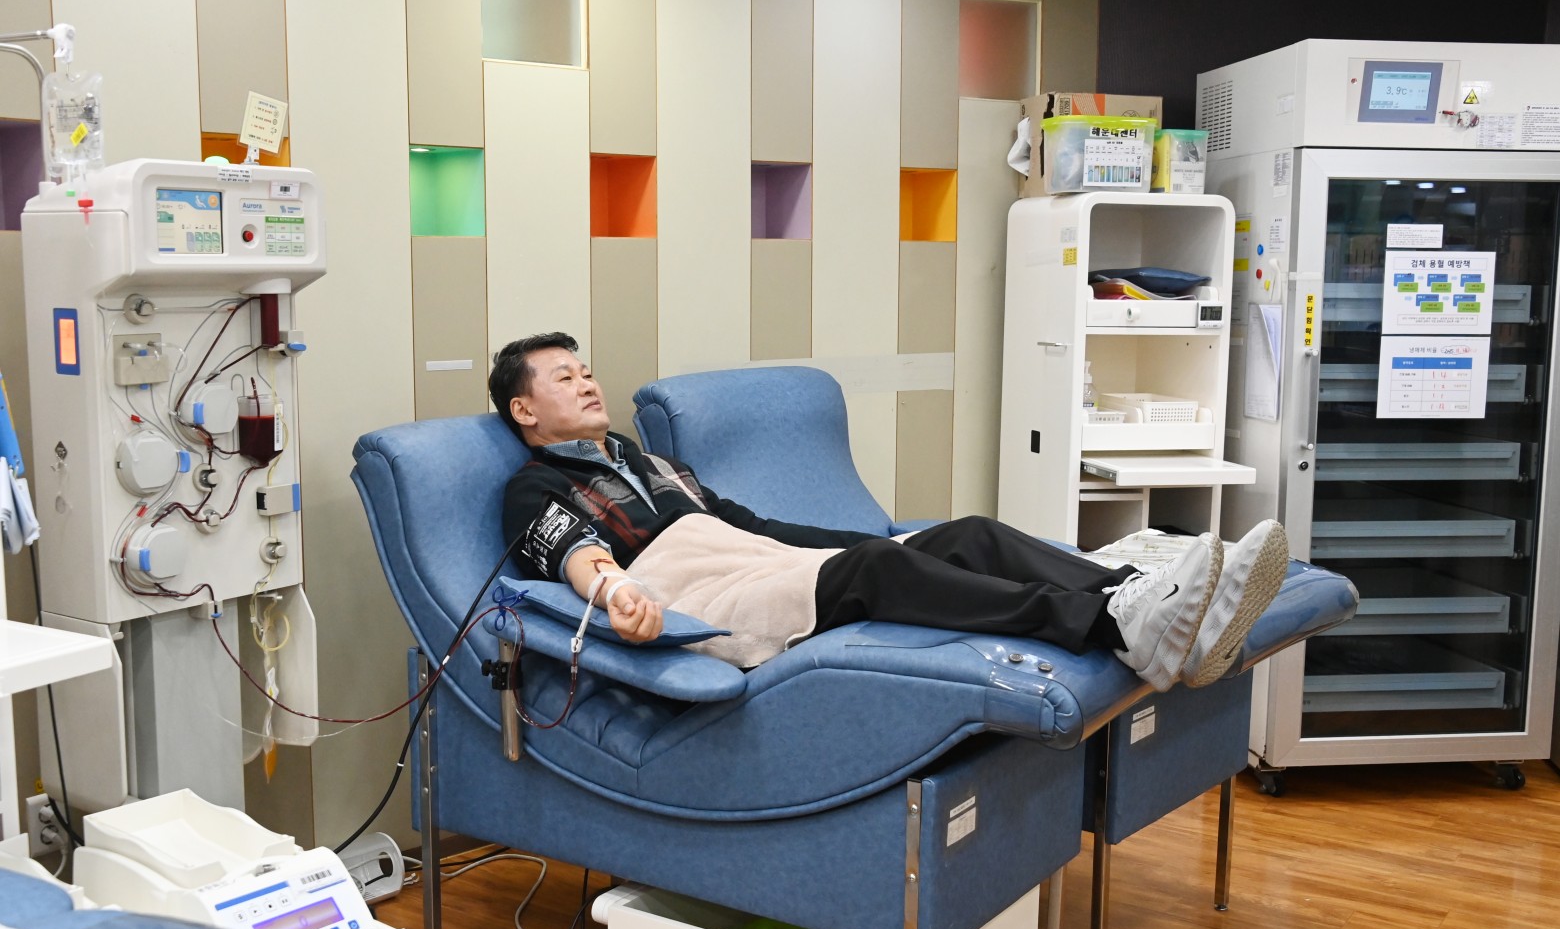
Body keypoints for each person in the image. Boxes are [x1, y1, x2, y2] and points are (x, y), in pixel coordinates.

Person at [491, 333, 1288, 691]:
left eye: (587, 370)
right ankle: (1116, 626)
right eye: (564, 378)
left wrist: (891, 539)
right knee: (878, 566)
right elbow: (578, 556)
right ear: (524, 410)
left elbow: (751, 526)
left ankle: (1135, 590)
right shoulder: (532, 487)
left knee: (963, 534)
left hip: (752, 561)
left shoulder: (640, 457)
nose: (587, 382)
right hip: (701, 598)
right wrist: (619, 594)